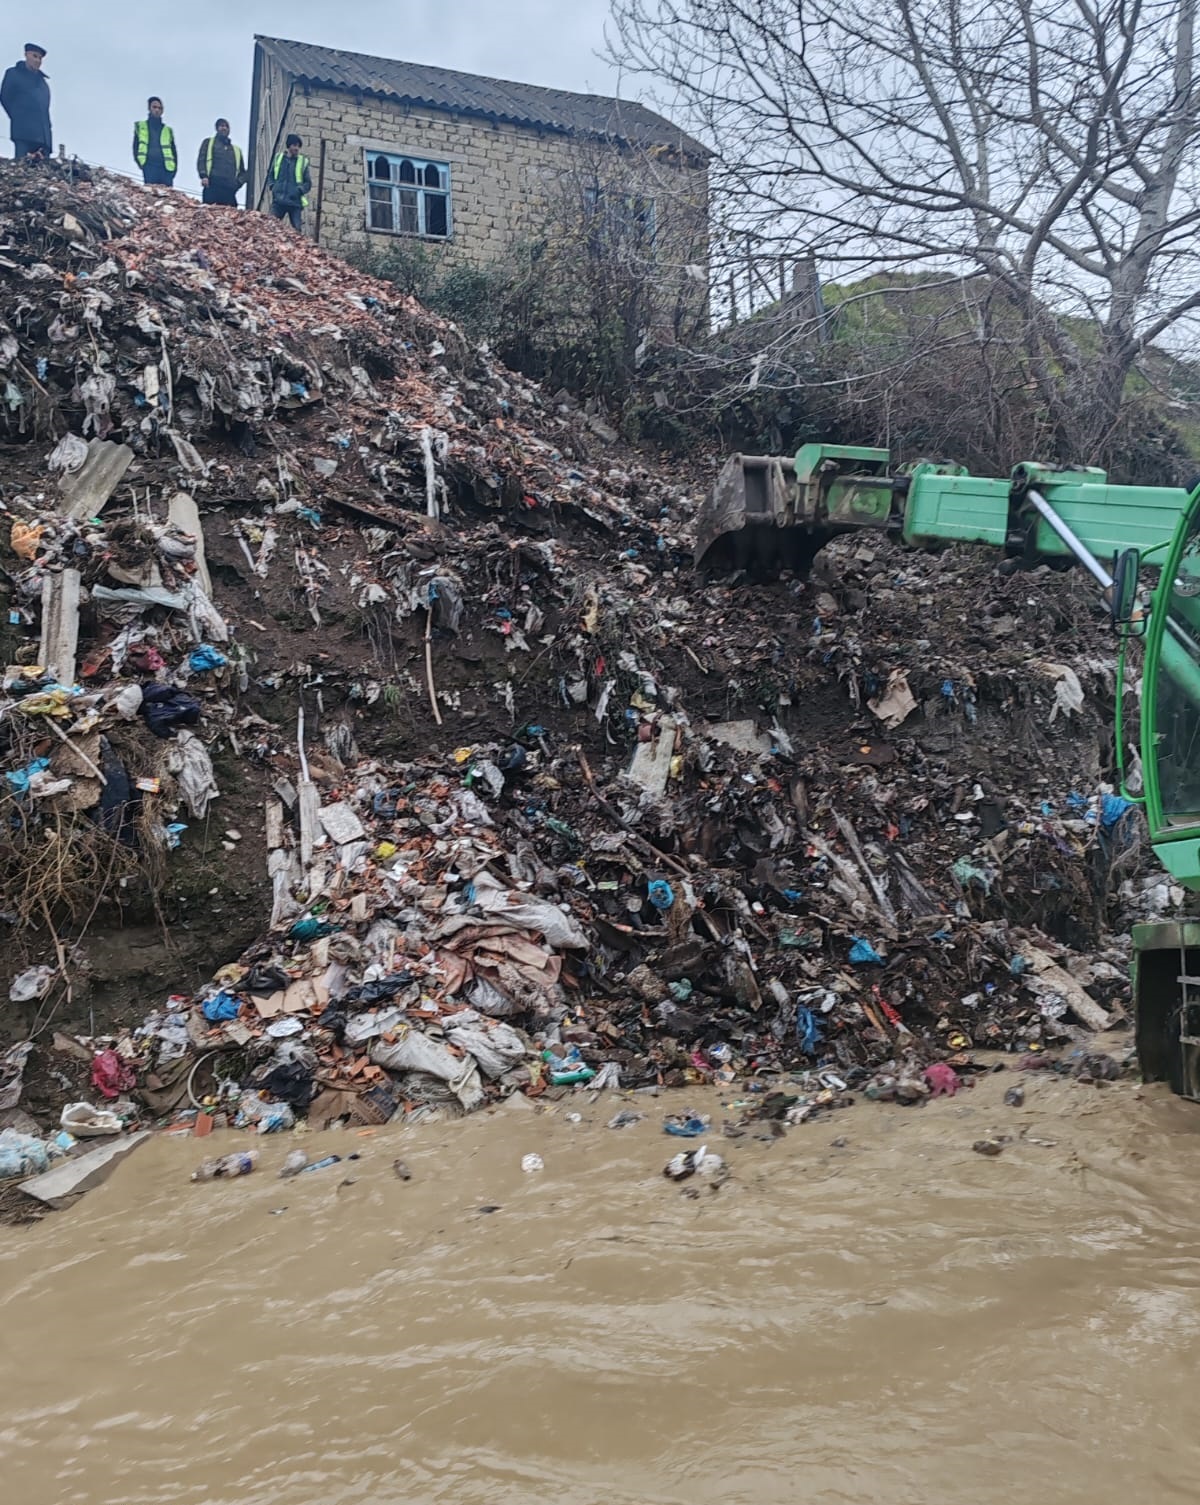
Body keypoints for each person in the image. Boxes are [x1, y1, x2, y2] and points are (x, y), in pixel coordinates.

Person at [1, 43, 51, 161]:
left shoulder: (43, 83)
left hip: (43, 135)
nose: (38, 60)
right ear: (26, 55)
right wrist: (18, 115)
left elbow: (45, 108)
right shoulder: (13, 73)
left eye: (40, 58)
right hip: (22, 130)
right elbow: (5, 97)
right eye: (35, 56)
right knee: (22, 163)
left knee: (44, 171)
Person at [197, 118, 246, 206]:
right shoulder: (208, 143)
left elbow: (243, 172)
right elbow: (201, 160)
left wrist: (237, 184)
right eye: (221, 126)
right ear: (217, 128)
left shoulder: (236, 150)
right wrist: (203, 176)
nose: (224, 128)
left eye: (226, 126)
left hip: (229, 190)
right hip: (212, 186)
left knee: (230, 216)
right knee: (210, 214)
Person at [267, 134, 311, 232]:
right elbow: (270, 175)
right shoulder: (278, 158)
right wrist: (273, 187)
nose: (297, 148)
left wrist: (299, 190)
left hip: (294, 202)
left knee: (297, 231)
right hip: (278, 201)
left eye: (298, 146)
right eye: (294, 145)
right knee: (269, 226)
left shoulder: (302, 162)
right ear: (289, 146)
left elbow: (308, 183)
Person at [133, 97, 177, 186]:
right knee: (151, 195)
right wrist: (141, 164)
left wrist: (174, 169)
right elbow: (135, 146)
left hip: (166, 168)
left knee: (167, 197)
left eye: (159, 108)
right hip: (149, 166)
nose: (157, 110)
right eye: (154, 107)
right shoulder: (141, 126)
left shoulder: (167, 130)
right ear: (149, 108)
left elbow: (174, 151)